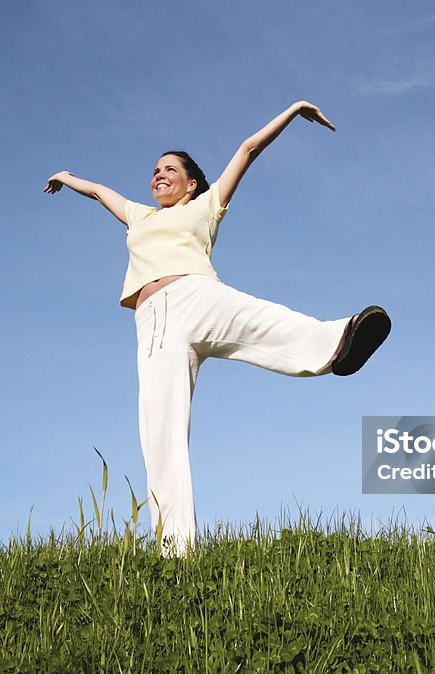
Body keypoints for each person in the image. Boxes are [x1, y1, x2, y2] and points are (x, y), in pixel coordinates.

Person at [44, 101, 390, 555]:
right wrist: (66, 178)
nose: (158, 175)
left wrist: (293, 111)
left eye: (169, 169)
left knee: (264, 320)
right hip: (155, 325)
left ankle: (339, 342)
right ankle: (175, 552)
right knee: (161, 432)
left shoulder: (207, 206)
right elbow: (96, 192)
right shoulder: (138, 215)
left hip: (197, 295)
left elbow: (247, 149)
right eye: (154, 170)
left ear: (191, 184)